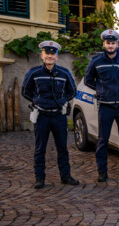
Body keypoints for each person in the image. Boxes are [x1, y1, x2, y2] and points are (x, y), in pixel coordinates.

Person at [22, 41, 79, 189]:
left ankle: (65, 176)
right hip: (42, 115)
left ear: (57, 56)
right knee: (40, 148)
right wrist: (36, 101)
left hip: (58, 115)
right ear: (42, 55)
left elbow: (72, 91)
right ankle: (39, 178)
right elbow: (25, 91)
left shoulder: (64, 73)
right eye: (47, 53)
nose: (50, 56)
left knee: (62, 148)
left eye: (52, 54)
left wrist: (63, 101)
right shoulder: (34, 73)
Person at [84, 29, 119, 182]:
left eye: (113, 43)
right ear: (104, 44)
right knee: (103, 140)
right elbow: (88, 80)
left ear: (117, 44)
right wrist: (101, 91)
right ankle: (102, 172)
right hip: (105, 106)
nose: (110, 45)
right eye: (108, 43)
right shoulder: (97, 61)